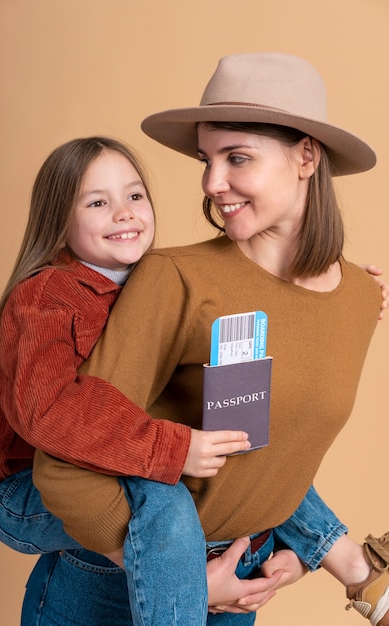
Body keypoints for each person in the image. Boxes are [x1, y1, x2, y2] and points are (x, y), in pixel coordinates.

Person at [30, 53, 389, 625]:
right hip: (109, 582)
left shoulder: (359, 299)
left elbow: (274, 446)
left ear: (306, 156)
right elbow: (69, 450)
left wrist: (296, 549)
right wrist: (163, 572)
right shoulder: (176, 278)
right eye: (207, 159)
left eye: (237, 157)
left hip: (241, 577)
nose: (210, 182)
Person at [0, 135, 260, 625]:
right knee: (166, 495)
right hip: (25, 490)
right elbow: (51, 409)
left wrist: (344, 291)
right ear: (59, 221)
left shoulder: (156, 281)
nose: (124, 213)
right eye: (98, 202)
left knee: (252, 452)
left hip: (113, 462)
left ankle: (355, 568)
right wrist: (169, 449)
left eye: (134, 195)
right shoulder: (47, 297)